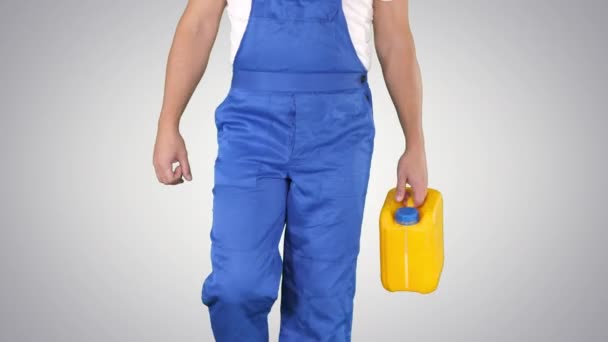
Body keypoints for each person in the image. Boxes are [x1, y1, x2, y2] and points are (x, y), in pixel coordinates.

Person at [152, 0, 428, 340]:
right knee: (236, 285)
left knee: (322, 301)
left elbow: (396, 39)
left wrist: (414, 143)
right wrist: (169, 122)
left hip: (338, 133)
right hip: (251, 128)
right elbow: (197, 25)